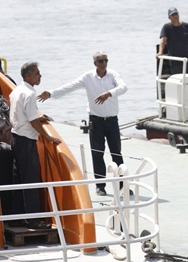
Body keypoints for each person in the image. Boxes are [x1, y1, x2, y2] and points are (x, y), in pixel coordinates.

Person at [38, 51, 128, 196]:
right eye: (100, 61)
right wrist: (51, 93)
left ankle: (123, 186)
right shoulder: (88, 77)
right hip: (96, 121)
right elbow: (70, 87)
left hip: (112, 121)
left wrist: (108, 93)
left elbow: (123, 87)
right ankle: (100, 186)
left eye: (106, 60)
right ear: (95, 64)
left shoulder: (113, 75)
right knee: (97, 153)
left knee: (116, 153)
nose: (104, 63)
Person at [9, 62, 62, 227]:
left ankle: (18, 217)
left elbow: (24, 114)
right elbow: (32, 121)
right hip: (26, 141)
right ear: (28, 76)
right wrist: (48, 137)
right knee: (31, 180)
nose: (41, 76)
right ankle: (33, 220)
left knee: (19, 179)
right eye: (38, 73)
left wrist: (38, 117)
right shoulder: (30, 94)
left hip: (15, 138)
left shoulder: (16, 91)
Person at [158, 7, 188, 76]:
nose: (175, 16)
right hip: (175, 62)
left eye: (176, 14)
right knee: (178, 83)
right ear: (169, 17)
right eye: (173, 15)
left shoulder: (186, 26)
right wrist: (160, 52)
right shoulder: (167, 27)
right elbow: (163, 40)